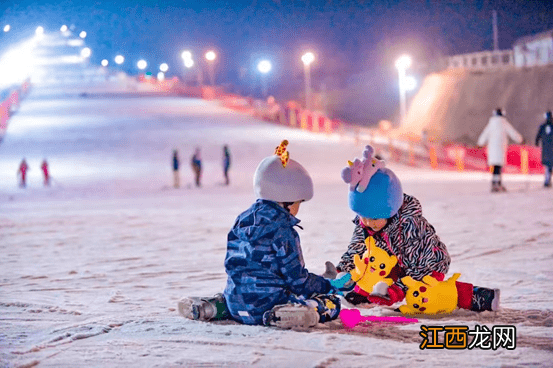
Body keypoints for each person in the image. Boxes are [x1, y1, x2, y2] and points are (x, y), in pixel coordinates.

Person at [178, 140, 347, 328]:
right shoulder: (283, 231)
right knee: (331, 303)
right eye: (299, 202)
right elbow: (297, 281)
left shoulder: (242, 220)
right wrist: (326, 284)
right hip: (268, 306)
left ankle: (211, 307)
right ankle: (294, 313)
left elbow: (233, 264)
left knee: (239, 298)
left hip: (235, 301)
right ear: (287, 200)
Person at [331, 144, 500, 313]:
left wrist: (397, 290)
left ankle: (475, 296)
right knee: (370, 264)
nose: (367, 222)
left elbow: (418, 266)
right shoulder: (366, 221)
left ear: (390, 210)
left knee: (423, 294)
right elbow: (356, 248)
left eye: (373, 218)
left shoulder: (409, 225)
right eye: (363, 216)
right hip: (395, 263)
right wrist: (345, 270)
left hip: (426, 265)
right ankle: (366, 294)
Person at [477, 108, 523, 192]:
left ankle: (495, 183)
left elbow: (484, 134)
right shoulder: (504, 123)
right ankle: (497, 183)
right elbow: (513, 133)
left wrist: (480, 143)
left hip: (492, 150)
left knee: (495, 167)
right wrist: (520, 140)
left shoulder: (491, 124)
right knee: (498, 167)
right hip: (500, 149)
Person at [535, 111, 553, 188]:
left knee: (547, 165)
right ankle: (547, 180)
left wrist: (536, 142)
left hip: (545, 148)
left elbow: (538, 136)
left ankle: (547, 180)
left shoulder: (543, 126)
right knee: (550, 165)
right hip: (552, 148)